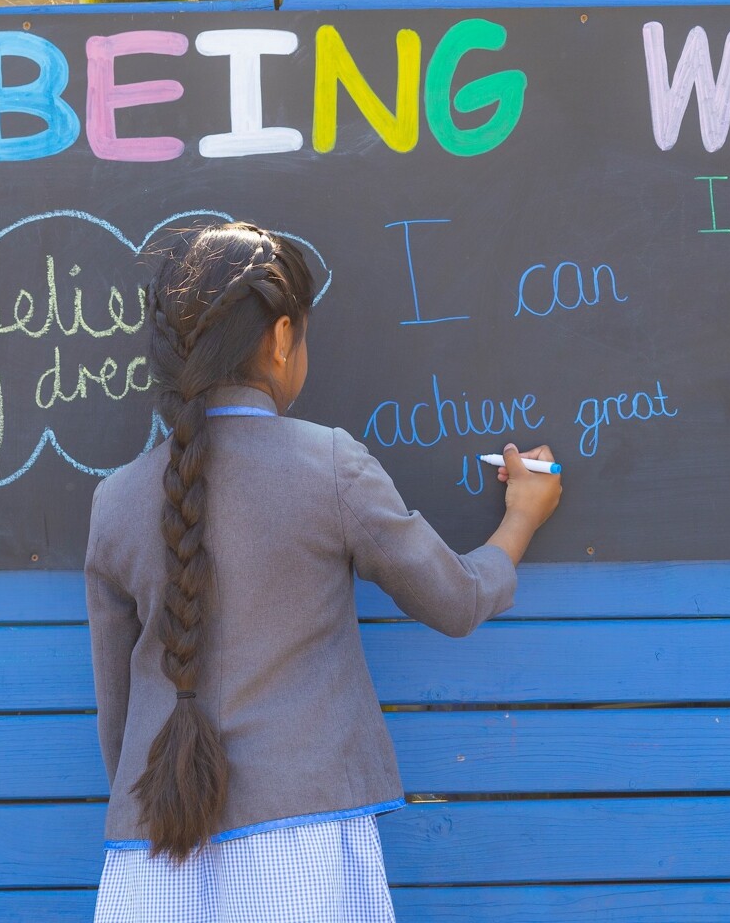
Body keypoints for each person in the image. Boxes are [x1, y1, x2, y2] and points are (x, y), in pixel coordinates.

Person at [86, 220, 563, 923]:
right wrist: (520, 519)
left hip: (152, 862)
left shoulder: (115, 501)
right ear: (281, 338)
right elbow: (456, 601)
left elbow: (117, 721)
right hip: (302, 853)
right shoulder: (328, 466)